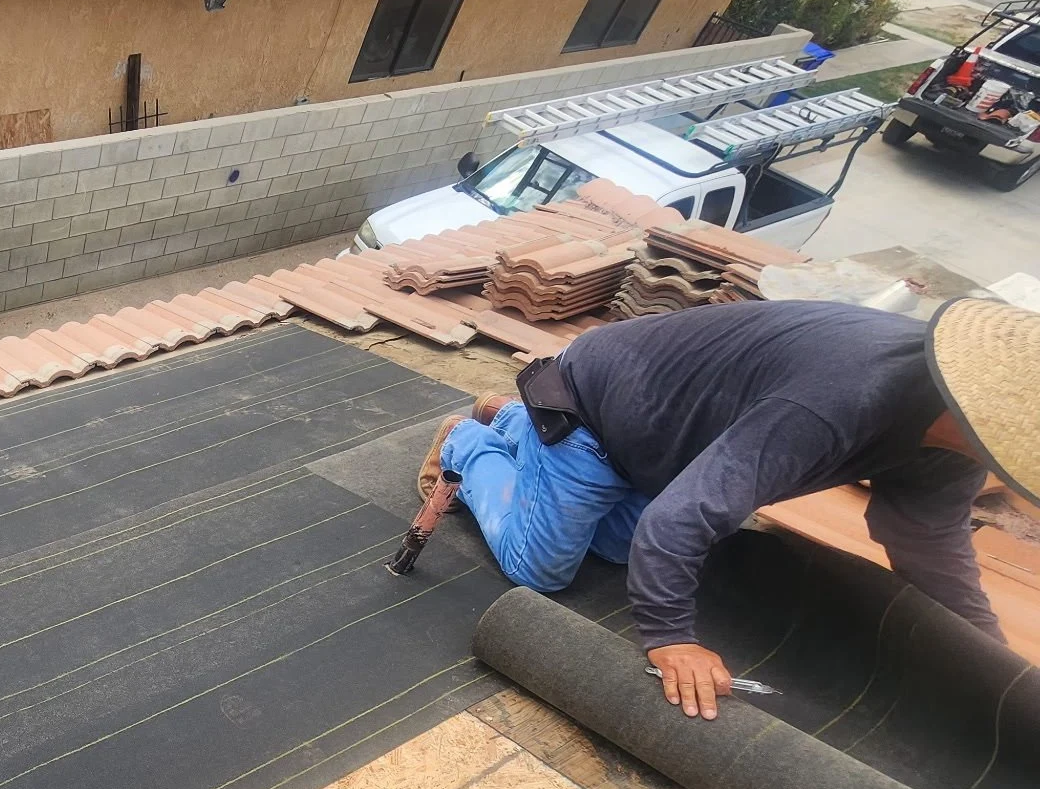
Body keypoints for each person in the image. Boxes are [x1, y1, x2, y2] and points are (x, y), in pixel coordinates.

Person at [418, 296, 1039, 719]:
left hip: (666, 442)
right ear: (982, 416)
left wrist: (994, 665)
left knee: (618, 552)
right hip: (595, 406)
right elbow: (676, 525)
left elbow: (927, 544)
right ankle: (472, 444)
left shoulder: (951, 440)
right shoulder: (842, 401)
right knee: (542, 568)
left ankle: (517, 426)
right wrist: (671, 639)